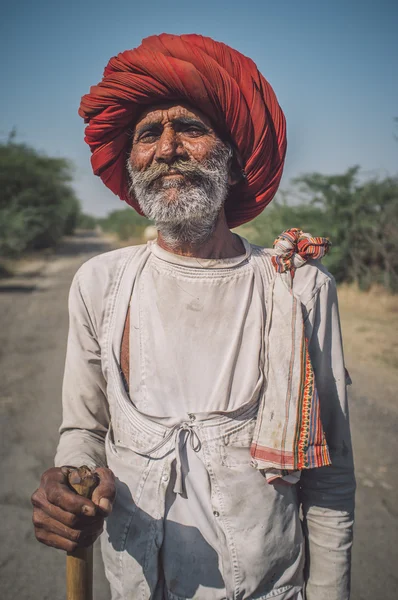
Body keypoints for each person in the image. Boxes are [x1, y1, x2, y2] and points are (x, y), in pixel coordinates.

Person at [31, 34, 355, 600]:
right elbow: (84, 427)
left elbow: (329, 474)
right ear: (131, 165)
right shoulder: (101, 284)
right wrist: (73, 478)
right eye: (149, 134)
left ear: (233, 164)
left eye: (191, 128)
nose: (167, 149)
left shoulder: (298, 288)